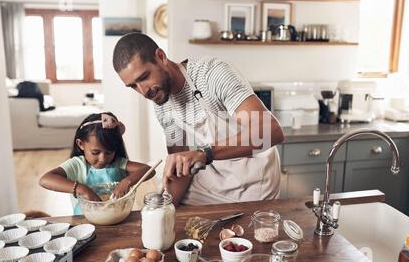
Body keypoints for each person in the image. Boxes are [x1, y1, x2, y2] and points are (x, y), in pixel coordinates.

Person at [112, 33, 284, 206]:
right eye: (133, 86)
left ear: (161, 57)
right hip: (214, 178)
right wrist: (166, 208)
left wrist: (206, 154)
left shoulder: (211, 74)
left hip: (254, 180)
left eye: (144, 77)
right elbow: (180, 168)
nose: (143, 91)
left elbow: (271, 132)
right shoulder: (162, 103)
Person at [39, 112, 154, 215]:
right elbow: (45, 180)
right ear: (81, 144)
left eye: (109, 152)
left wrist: (126, 182)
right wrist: (82, 189)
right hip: (84, 221)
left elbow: (149, 170)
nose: (103, 159)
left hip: (117, 217)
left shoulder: (118, 163)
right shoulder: (77, 165)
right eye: (95, 152)